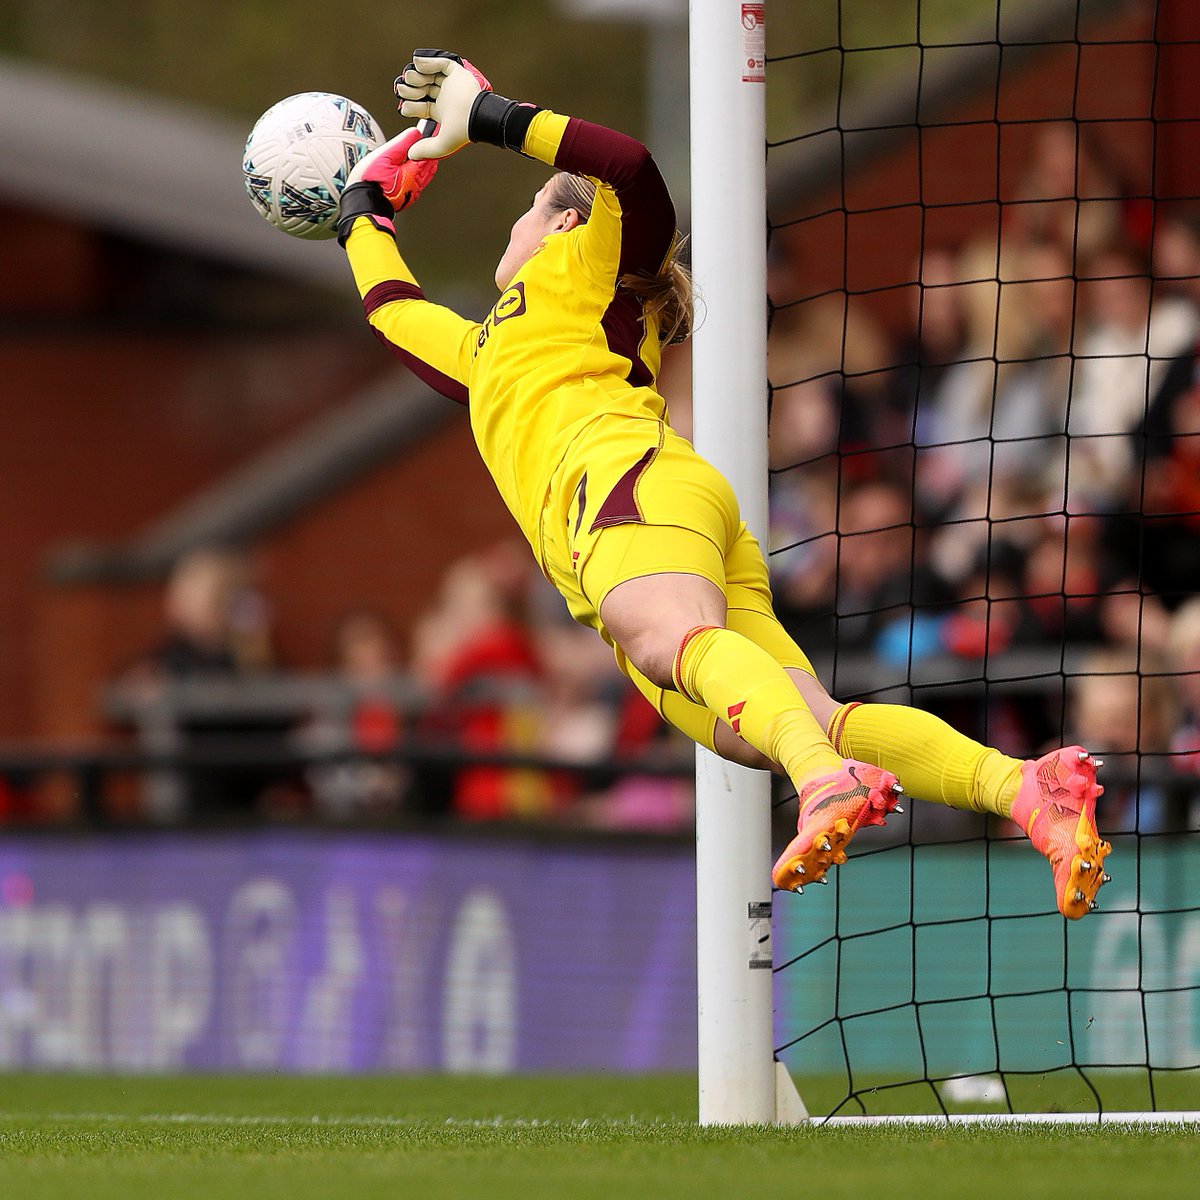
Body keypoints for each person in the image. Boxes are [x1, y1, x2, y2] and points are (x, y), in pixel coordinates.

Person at [328, 49, 1111, 918]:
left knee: (679, 650)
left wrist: (495, 119)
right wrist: (362, 207)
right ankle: (1024, 787)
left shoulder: (583, 265)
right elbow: (394, 314)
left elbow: (629, 168)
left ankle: (826, 785)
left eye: (526, 209)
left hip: (627, 491)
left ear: (559, 225)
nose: (512, 229)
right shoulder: (494, 349)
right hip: (660, 514)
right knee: (790, 720)